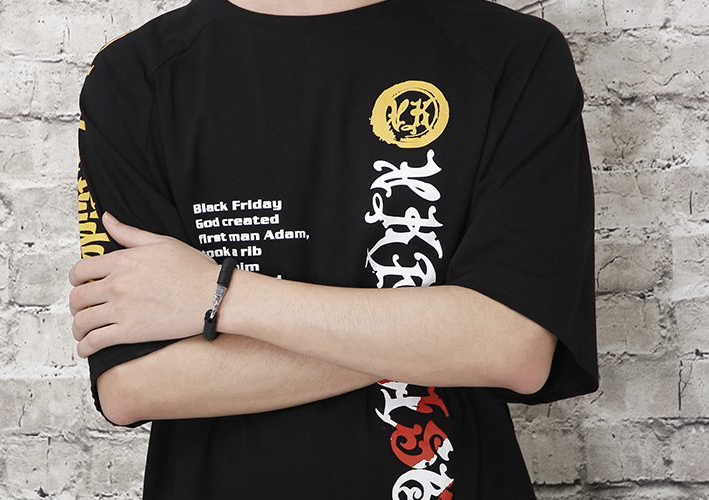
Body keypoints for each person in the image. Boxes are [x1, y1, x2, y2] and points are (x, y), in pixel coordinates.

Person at [69, 0, 599, 498]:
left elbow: (514, 349)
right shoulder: (135, 76)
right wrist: (438, 336)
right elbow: (132, 384)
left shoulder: (512, 53)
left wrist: (220, 296)